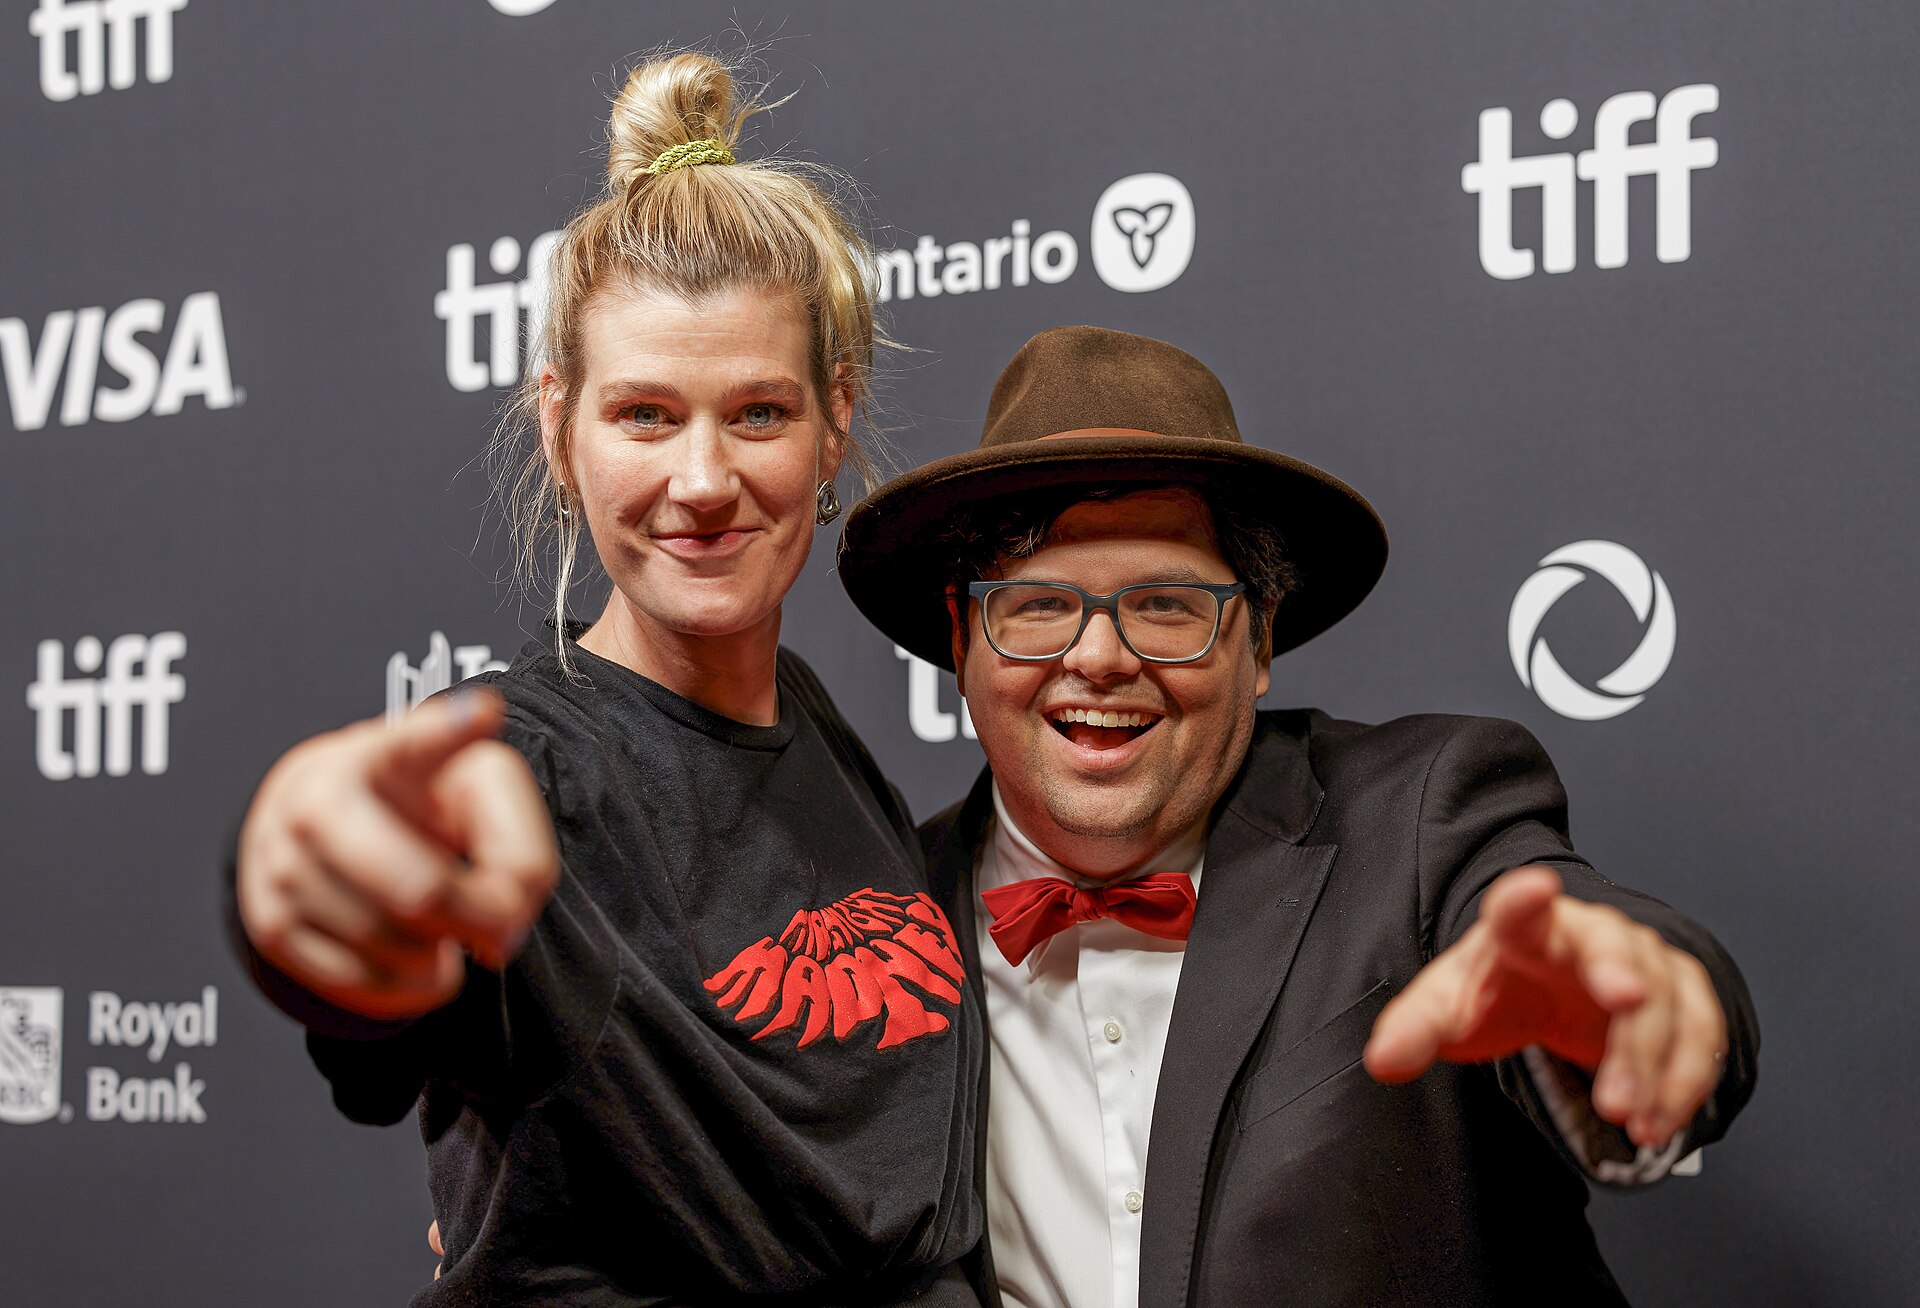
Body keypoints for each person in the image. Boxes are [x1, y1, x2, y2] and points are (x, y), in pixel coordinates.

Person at [228, 51, 983, 1306]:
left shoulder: (824, 737)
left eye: (757, 413)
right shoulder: (516, 770)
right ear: (557, 427)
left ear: (833, 421)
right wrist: (310, 891)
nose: (700, 480)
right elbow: (373, 998)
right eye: (643, 415)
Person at [834, 325, 1759, 1308]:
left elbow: (1565, 931)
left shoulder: (1422, 817)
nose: (1098, 657)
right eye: (1035, 604)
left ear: (1259, 640)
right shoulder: (878, 916)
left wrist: (1631, 1014)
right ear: (961, 634)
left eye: (1166, 605)